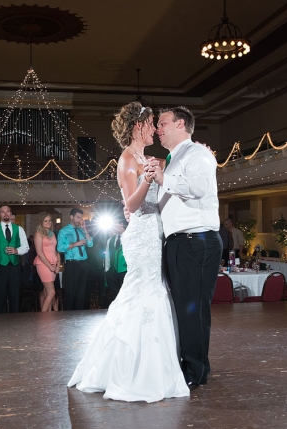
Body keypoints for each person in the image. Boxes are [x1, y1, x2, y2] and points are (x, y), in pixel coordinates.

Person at [68, 102, 189, 402]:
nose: (156, 129)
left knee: (154, 293)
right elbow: (131, 206)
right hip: (140, 235)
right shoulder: (126, 159)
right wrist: (147, 179)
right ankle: (128, 370)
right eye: (151, 124)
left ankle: (153, 368)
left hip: (154, 231)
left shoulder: (146, 157)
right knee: (141, 293)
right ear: (138, 126)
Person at [148, 105, 223, 388]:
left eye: (163, 122)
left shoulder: (198, 154)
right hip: (180, 242)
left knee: (193, 309)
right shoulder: (173, 158)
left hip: (197, 240)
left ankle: (196, 371)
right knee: (182, 309)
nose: (158, 128)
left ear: (181, 124)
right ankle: (188, 364)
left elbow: (199, 188)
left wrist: (162, 178)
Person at [0, 205, 29, 314]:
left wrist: (17, 251)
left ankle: (15, 322)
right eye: (3, 212)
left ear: (10, 213)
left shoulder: (19, 229)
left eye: (8, 211)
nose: (6, 214)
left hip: (15, 266)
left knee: (15, 296)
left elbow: (26, 247)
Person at [57, 208, 93, 310]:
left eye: (81, 218)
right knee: (70, 292)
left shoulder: (82, 231)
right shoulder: (63, 231)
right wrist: (75, 244)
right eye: (77, 217)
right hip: (71, 264)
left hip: (84, 263)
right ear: (71, 217)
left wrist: (86, 231)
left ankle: (80, 315)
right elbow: (59, 248)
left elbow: (90, 244)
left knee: (82, 291)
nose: (79, 220)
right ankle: (69, 316)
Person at [33, 212, 61, 312]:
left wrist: (58, 265)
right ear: (41, 222)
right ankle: (42, 317)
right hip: (43, 264)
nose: (48, 222)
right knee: (51, 292)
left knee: (47, 292)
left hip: (53, 264)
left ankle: (48, 318)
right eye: (46, 221)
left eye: (49, 220)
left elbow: (56, 250)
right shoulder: (38, 234)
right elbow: (39, 253)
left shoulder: (52, 233)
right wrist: (50, 266)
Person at [104, 219, 128, 304]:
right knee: (115, 297)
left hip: (126, 272)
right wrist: (107, 271)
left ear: (121, 224)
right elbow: (107, 256)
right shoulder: (110, 240)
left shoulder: (129, 237)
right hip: (112, 273)